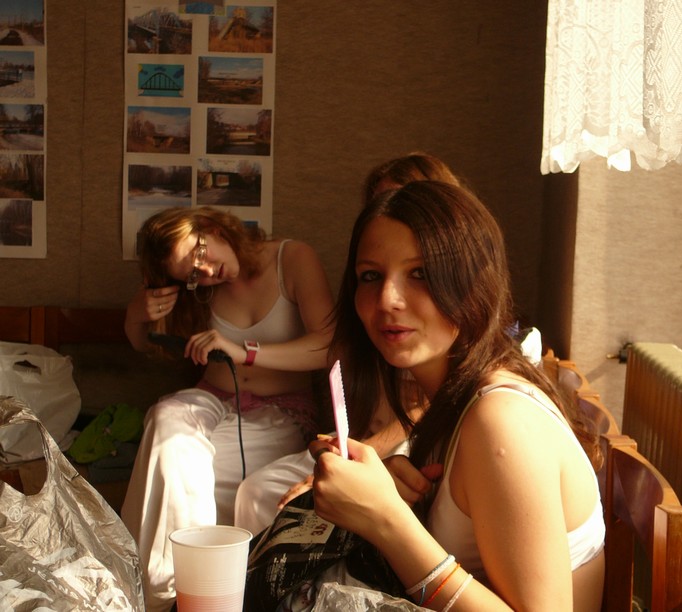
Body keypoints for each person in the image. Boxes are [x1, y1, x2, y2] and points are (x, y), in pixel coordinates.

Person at [309, 180, 605, 610]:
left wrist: (387, 521)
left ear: (473, 281)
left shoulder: (501, 420)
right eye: (370, 276)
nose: (387, 299)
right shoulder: (456, 399)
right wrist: (391, 492)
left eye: (420, 273)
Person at [233, 152, 466, 535]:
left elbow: (424, 408)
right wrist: (335, 445)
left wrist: (358, 456)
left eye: (408, 202)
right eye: (381, 204)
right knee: (258, 492)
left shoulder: (441, 313)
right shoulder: (367, 300)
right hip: (361, 438)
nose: (392, 215)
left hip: (408, 445)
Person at [120, 206, 335, 612]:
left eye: (199, 255)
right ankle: (165, 592)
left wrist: (245, 352)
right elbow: (144, 344)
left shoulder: (292, 258)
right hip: (211, 397)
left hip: (280, 410)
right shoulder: (201, 289)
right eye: (192, 275)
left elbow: (328, 346)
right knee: (166, 425)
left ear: (213, 227)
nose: (205, 273)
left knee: (197, 469)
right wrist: (136, 316)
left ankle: (199, 591)